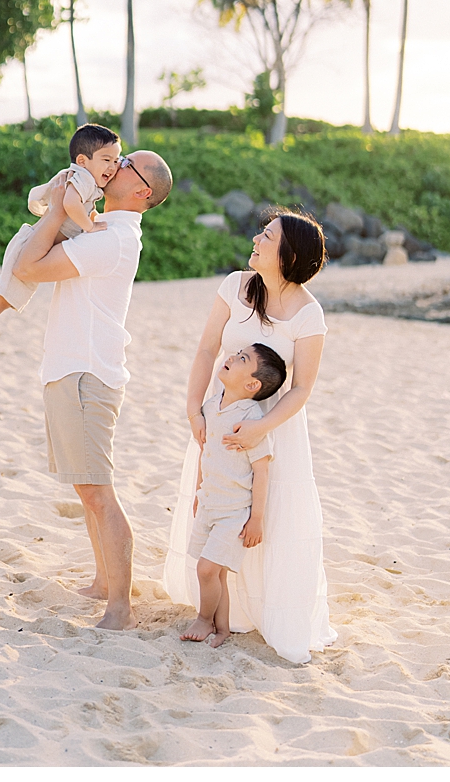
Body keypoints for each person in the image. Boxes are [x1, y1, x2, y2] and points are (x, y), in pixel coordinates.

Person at [164, 210, 336, 663]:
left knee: (267, 518)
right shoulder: (236, 285)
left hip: (273, 429)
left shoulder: (308, 314)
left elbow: (302, 389)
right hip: (219, 418)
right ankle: (224, 610)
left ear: (289, 254)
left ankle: (263, 612)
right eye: (261, 231)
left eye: (267, 235)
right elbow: (206, 349)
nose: (256, 239)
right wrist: (194, 409)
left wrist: (260, 426)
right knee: (216, 503)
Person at [13, 148, 174, 631]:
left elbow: (27, 268)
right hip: (73, 368)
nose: (115, 166)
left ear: (142, 192)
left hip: (86, 374)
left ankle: (120, 608)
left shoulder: (113, 239)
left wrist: (62, 206)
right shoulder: (102, 229)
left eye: (128, 165)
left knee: (98, 492)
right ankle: (104, 582)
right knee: (87, 489)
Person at [0, 123, 122, 365]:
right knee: (5, 297)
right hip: (31, 246)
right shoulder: (82, 179)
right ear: (83, 160)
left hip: (32, 243)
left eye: (116, 160)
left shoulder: (86, 180)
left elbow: (85, 207)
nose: (112, 166)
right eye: (106, 159)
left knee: (5, 292)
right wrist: (89, 226)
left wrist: (94, 218)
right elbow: (71, 204)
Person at [181, 343, 287, 648]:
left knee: (206, 568)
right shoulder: (212, 406)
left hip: (235, 512)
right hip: (210, 503)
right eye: (237, 353)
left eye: (242, 359)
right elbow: (206, 453)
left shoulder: (251, 420)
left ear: (252, 384)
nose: (231, 357)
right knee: (217, 574)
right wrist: (199, 491)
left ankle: (203, 619)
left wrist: (256, 519)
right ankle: (222, 629)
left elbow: (261, 471)